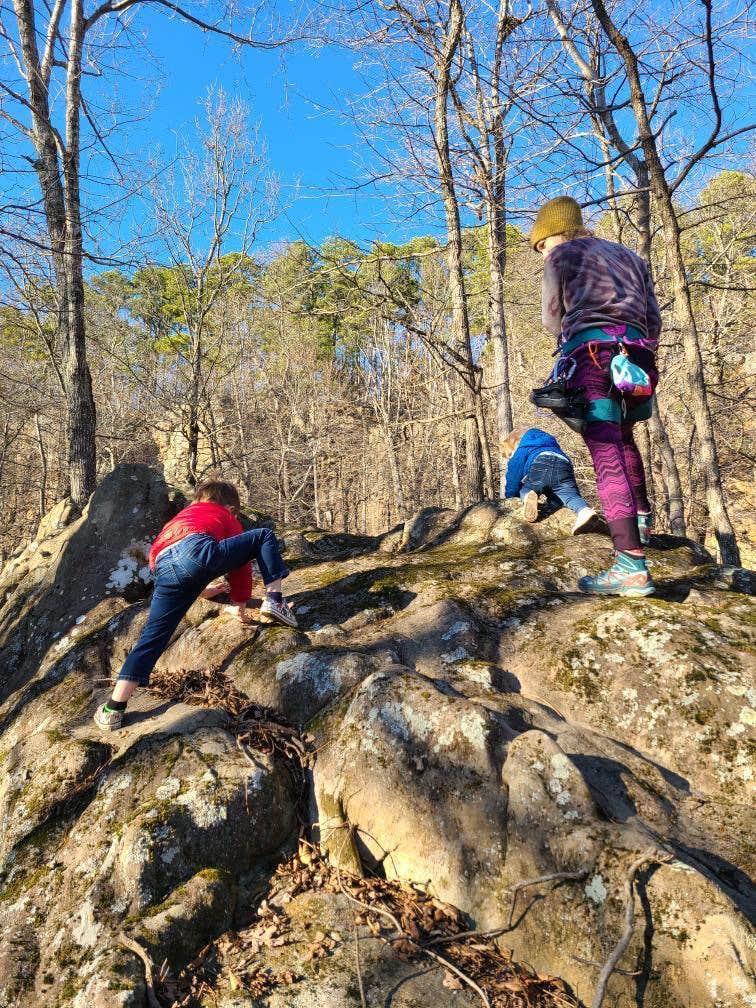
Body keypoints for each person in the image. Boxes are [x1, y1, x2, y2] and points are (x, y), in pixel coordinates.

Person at [531, 195, 661, 597]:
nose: (543, 253)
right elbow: (654, 317)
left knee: (605, 450)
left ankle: (630, 565)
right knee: (624, 437)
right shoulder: (630, 257)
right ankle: (639, 521)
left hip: (592, 357)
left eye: (542, 244)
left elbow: (552, 318)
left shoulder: (561, 257)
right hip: (638, 358)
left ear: (555, 233)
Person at [94, 479, 297, 730]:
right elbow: (240, 565)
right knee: (263, 536)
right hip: (197, 550)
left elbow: (174, 560)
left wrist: (201, 589)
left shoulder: (182, 517)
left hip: (161, 567)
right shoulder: (225, 515)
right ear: (232, 509)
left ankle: (114, 707)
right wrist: (240, 604)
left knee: (152, 637)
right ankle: (276, 601)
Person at [502, 426, 597, 533]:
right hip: (564, 465)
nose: (511, 458)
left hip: (541, 463)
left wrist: (511, 497)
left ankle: (529, 495)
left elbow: (513, 476)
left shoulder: (523, 448)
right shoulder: (552, 445)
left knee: (527, 488)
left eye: (510, 454)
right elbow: (556, 483)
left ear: (515, 444)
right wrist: (554, 503)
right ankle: (585, 512)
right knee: (570, 496)